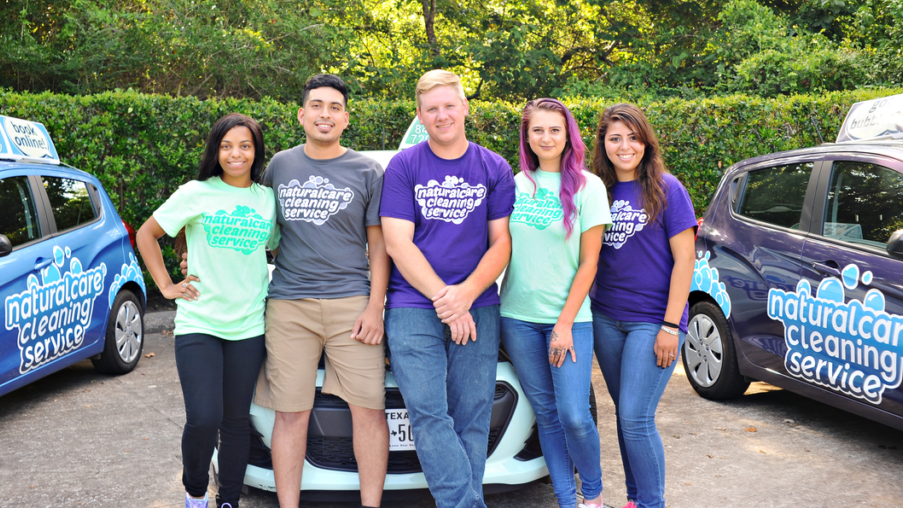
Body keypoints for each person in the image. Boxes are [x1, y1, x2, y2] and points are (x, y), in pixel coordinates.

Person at [184, 75, 390, 508]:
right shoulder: (280, 165)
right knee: (290, 414)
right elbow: (236, 218)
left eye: (335, 107)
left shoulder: (368, 170)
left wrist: (376, 306)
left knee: (369, 411)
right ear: (302, 114)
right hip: (288, 305)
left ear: (346, 118)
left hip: (351, 303)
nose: (325, 114)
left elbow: (379, 244)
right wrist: (193, 260)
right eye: (317, 105)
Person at [379, 69, 515, 508]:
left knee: (472, 417)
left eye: (449, 106)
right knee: (428, 414)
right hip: (412, 306)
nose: (442, 115)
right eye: (432, 108)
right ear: (420, 115)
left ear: (465, 108)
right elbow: (398, 243)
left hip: (478, 304)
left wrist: (465, 297)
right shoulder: (404, 166)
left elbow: (502, 244)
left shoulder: (494, 167)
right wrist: (447, 300)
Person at [137, 113, 278, 508]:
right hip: (199, 322)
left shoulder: (266, 199)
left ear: (256, 151)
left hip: (249, 325)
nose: (236, 154)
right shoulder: (196, 192)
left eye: (245, 146)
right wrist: (166, 285)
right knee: (204, 418)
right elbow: (148, 233)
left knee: (236, 422)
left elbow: (279, 249)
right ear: (216, 150)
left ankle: (228, 501)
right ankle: (195, 493)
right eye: (227, 145)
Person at [499, 98, 612, 508]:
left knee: (575, 416)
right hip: (516, 317)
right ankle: (567, 500)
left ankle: (593, 495)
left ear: (568, 136)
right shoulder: (515, 185)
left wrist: (564, 323)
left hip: (571, 320)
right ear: (527, 137)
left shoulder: (588, 186)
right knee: (546, 414)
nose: (546, 138)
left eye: (554, 130)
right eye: (537, 130)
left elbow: (590, 262)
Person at [589, 104, 697, 508]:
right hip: (605, 317)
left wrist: (671, 325)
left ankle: (652, 503)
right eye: (615, 138)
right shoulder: (597, 190)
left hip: (654, 320)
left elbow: (685, 260)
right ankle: (634, 500)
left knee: (636, 418)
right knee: (624, 415)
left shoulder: (668, 188)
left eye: (633, 137)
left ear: (646, 142)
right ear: (603, 144)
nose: (625, 146)